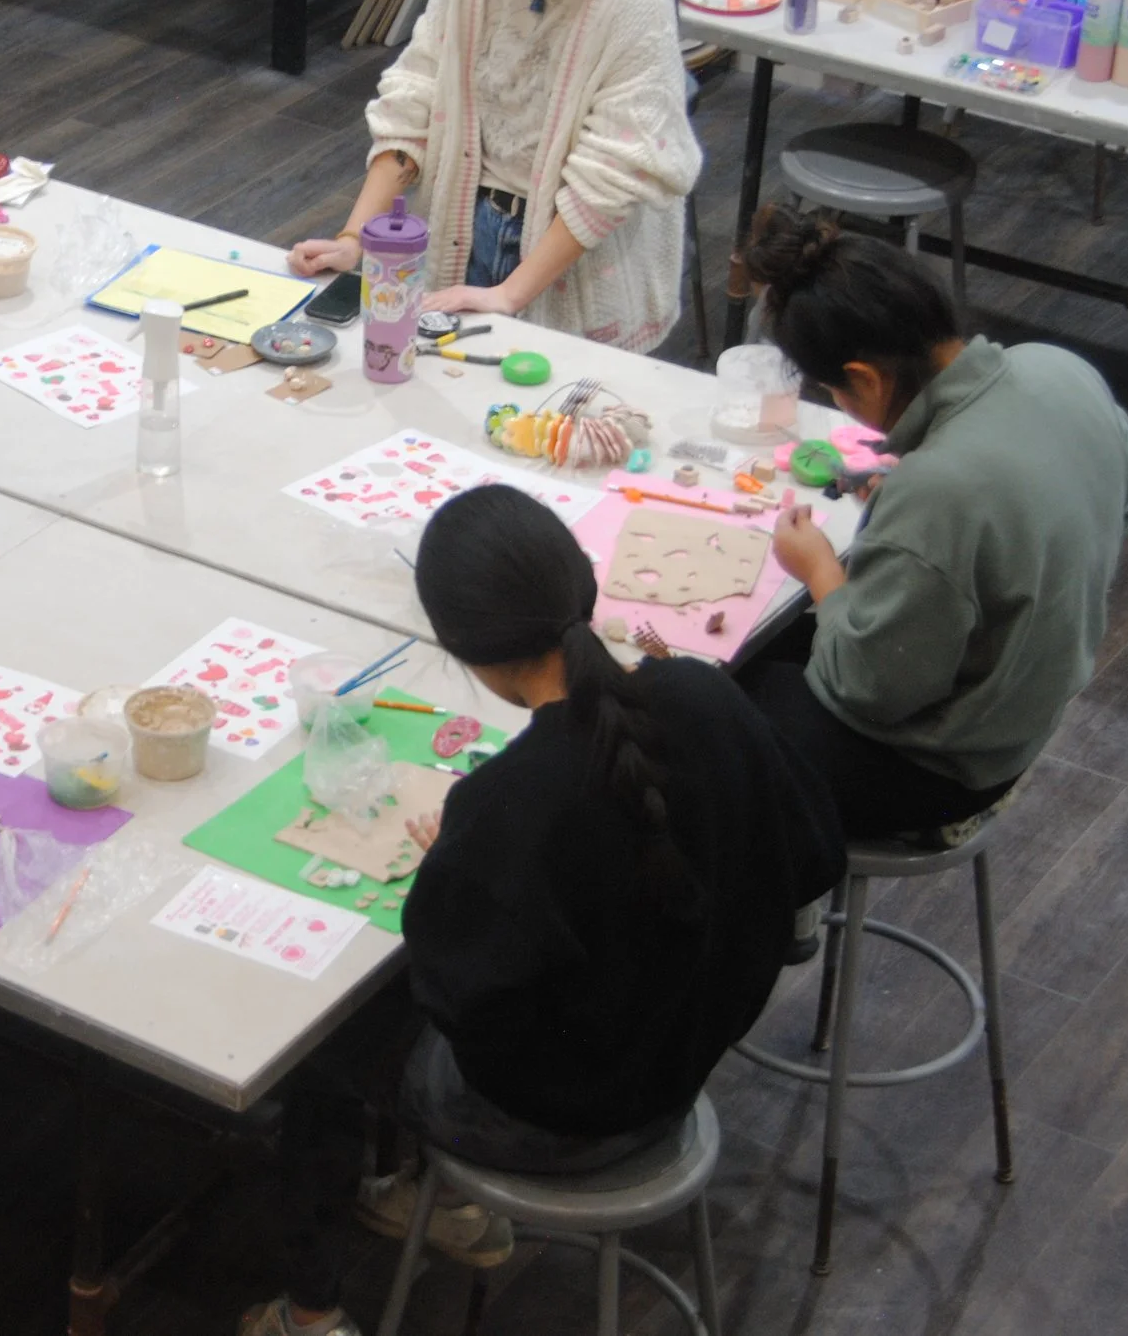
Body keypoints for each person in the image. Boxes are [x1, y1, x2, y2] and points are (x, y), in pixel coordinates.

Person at [242, 486, 844, 1336]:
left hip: (574, 1118)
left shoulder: (508, 808)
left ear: (458, 649)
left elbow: (464, 1010)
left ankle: (311, 1313)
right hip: (694, 1046)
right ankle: (418, 1195)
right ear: (582, 588)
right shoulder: (699, 696)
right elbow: (814, 851)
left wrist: (457, 861)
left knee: (322, 1042)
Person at [738, 205, 1128, 840]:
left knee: (709, 706)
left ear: (863, 380)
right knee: (759, 652)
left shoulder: (940, 489)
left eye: (834, 394)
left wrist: (820, 567)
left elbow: (861, 687)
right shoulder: (1056, 367)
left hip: (947, 764)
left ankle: (776, 920)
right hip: (1028, 700)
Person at [287, 0, 700, 353]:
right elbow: (416, 99)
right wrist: (354, 239)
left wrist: (512, 292)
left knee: (554, 420)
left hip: (575, 255)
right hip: (464, 224)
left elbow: (613, 174)